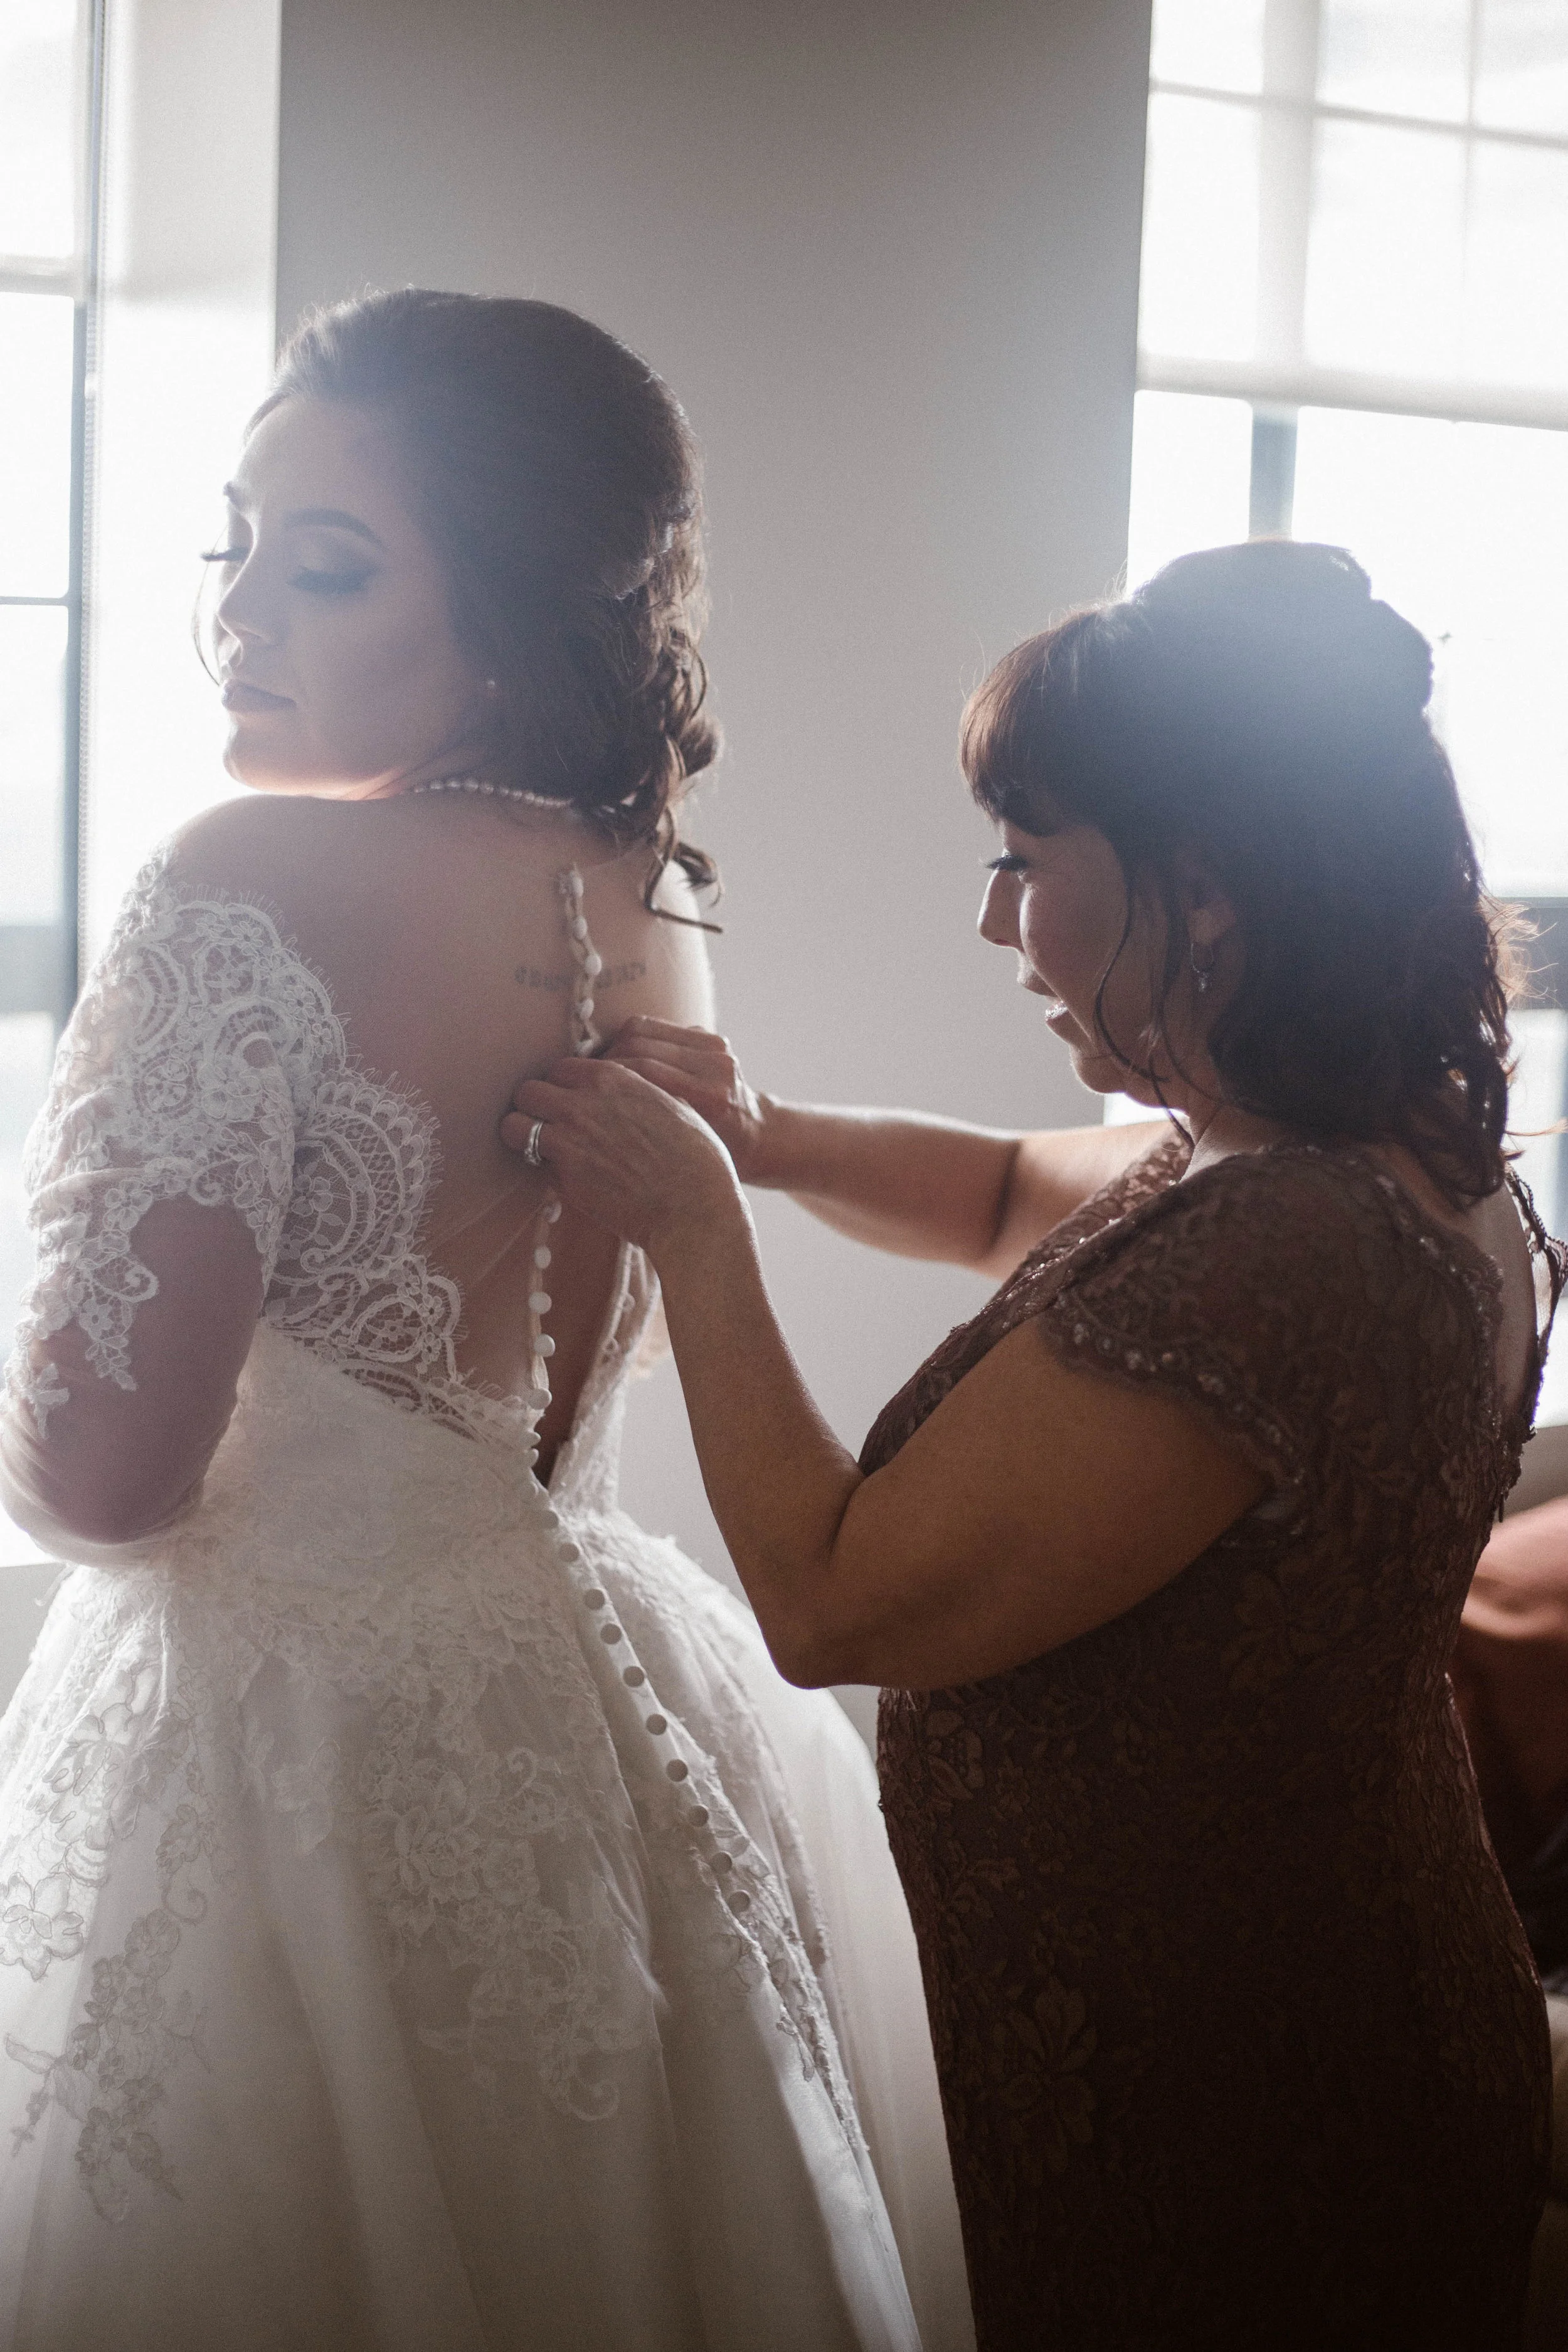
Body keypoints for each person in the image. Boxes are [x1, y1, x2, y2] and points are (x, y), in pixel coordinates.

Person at [0, 290, 972, 2352]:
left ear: (518, 612)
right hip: (592, 1695)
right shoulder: (652, 894)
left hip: (286, 1761)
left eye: (326, 563)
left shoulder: (242, 874)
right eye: (233, 546)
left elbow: (100, 1475)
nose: (240, 613)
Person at [508, 541, 1562, 2350]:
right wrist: (762, 1130)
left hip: (1231, 2088)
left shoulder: (1282, 1248)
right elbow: (1006, 1187)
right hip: (1309, 1985)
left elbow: (833, 1599)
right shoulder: (1350, 1153)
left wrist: (696, 1232)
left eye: (1023, 860)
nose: (994, 924)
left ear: (1205, 884)